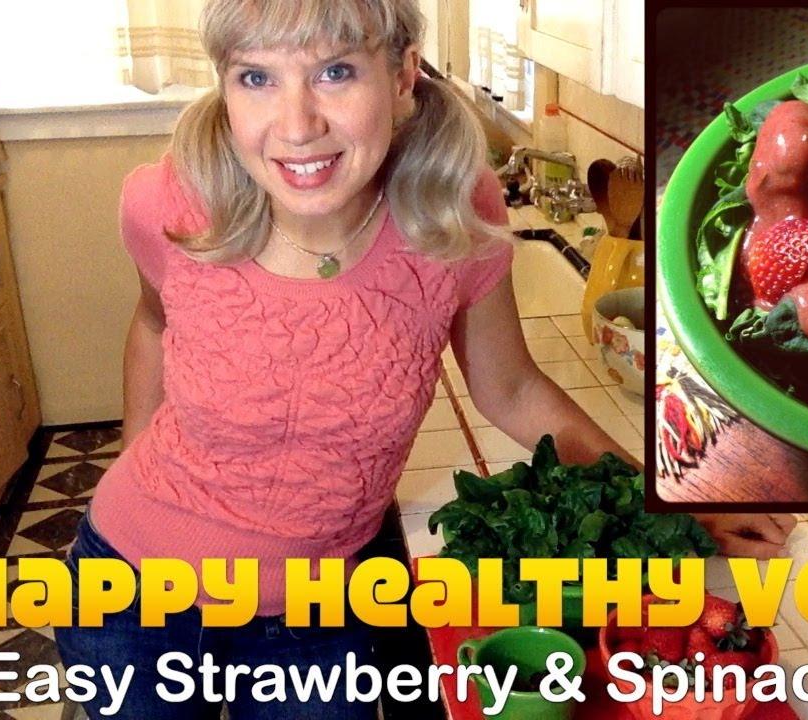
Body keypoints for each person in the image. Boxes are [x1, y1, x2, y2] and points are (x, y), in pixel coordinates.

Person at [53, 1, 631, 718]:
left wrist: (652, 495)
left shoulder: (456, 211)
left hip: (318, 612)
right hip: (134, 594)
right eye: (256, 77)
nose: (297, 126)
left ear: (402, 75)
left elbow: (510, 390)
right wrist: (136, 452)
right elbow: (152, 322)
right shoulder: (172, 202)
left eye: (335, 72)